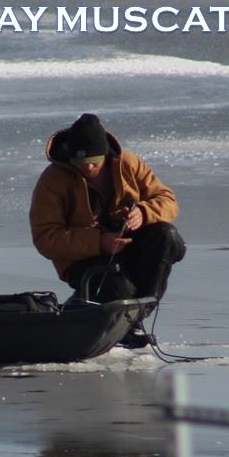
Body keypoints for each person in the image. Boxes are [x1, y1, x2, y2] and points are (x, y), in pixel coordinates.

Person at [29, 113, 186, 348]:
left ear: (105, 155)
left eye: (94, 161)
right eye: (81, 163)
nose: (88, 167)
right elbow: (46, 238)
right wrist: (99, 242)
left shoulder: (129, 164)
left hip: (129, 245)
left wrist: (144, 213)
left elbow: (167, 199)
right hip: (83, 259)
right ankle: (105, 313)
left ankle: (132, 320)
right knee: (120, 287)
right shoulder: (52, 180)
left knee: (167, 237)